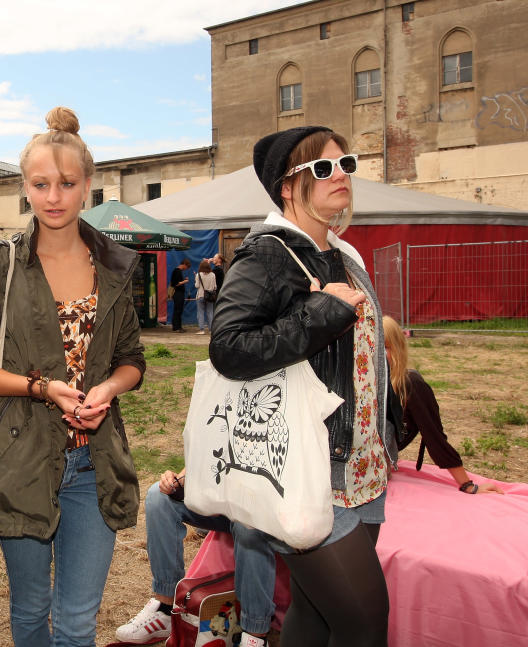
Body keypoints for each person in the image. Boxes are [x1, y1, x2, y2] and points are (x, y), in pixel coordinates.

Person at [0, 106, 146, 647]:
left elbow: (132, 357)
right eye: (41, 184)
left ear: (88, 185)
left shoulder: (115, 264)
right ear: (26, 188)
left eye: (66, 183)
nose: (54, 196)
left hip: (96, 462)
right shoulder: (1, 263)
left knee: (79, 622)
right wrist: (41, 388)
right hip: (23, 457)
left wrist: (108, 388)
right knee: (31, 612)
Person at [210, 126, 400, 647]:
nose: (340, 175)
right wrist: (320, 314)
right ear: (287, 187)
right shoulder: (268, 254)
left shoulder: (343, 255)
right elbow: (228, 347)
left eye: (346, 164)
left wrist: (389, 428)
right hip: (310, 469)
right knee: (364, 622)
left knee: (315, 617)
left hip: (364, 465)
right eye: (322, 168)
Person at [115, 468, 277, 647]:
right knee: (159, 497)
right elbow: (204, 455)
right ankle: (165, 609)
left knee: (248, 526)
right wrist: (178, 479)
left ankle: (255, 636)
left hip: (263, 504)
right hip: (221, 496)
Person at [383, 315, 505, 495]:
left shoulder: (410, 385)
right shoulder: (359, 380)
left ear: (398, 348)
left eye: (384, 347)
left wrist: (467, 484)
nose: (375, 354)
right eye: (370, 347)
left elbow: (434, 436)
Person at [193, 258, 216, 335]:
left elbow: (196, 286)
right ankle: (211, 330)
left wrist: (195, 279)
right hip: (210, 296)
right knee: (210, 312)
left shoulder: (198, 274)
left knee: (200, 312)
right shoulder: (213, 275)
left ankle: (202, 330)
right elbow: (215, 287)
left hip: (200, 295)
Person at [170, 257, 190, 332]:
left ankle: (178, 326)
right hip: (178, 293)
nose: (186, 268)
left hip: (178, 293)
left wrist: (183, 280)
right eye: (187, 267)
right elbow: (175, 284)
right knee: (178, 310)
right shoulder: (177, 271)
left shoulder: (177, 271)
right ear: (184, 264)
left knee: (178, 310)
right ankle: (176, 327)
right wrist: (185, 281)